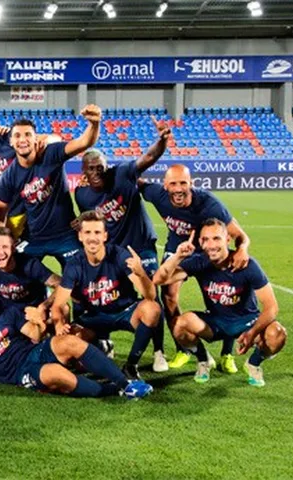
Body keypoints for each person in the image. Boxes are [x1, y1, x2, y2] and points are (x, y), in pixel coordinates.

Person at [0, 280, 153, 399]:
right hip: (20, 374)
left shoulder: (7, 314)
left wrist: (38, 321)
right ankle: (113, 391)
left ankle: (127, 384)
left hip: (35, 351)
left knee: (70, 342)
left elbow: (35, 336)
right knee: (58, 375)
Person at [74, 119, 172, 371]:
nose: (96, 173)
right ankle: (103, 340)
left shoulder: (123, 174)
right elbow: (90, 220)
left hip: (141, 245)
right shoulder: (82, 194)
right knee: (107, 295)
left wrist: (161, 140)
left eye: (100, 168)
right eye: (90, 170)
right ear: (83, 172)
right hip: (115, 253)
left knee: (152, 295)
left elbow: (148, 158)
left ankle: (159, 351)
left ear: (107, 166)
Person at [141, 164, 251, 372]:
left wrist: (242, 249)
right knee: (169, 296)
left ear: (191, 183)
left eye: (183, 183)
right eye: (173, 183)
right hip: (177, 249)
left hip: (208, 252)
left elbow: (239, 234)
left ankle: (227, 354)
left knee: (223, 298)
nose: (178, 188)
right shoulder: (157, 194)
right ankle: (184, 348)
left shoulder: (210, 204)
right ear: (165, 185)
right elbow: (134, 181)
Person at [153, 219, 286, 387]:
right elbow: (159, 279)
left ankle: (253, 364)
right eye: (205, 239)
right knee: (179, 325)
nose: (211, 245)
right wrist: (178, 256)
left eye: (216, 238)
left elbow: (272, 307)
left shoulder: (247, 264)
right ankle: (203, 360)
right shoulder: (199, 261)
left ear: (227, 240)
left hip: (246, 321)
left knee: (277, 334)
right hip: (215, 322)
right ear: (200, 242)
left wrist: (252, 333)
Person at [47, 211, 162, 380]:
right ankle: (100, 346)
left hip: (124, 312)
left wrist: (141, 274)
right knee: (70, 350)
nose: (92, 238)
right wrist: (59, 324)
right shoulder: (74, 264)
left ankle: (131, 365)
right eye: (87, 233)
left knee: (152, 309)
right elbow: (58, 305)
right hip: (93, 318)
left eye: (97, 232)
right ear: (80, 236)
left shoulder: (120, 255)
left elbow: (150, 295)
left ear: (105, 236)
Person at [0, 108, 102, 267]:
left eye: (27, 135)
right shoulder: (9, 176)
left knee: (82, 276)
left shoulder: (51, 154)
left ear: (35, 138)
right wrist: (3, 239)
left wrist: (94, 123)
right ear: (11, 141)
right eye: (17, 136)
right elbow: (0, 214)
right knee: (18, 274)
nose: (22, 139)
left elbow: (84, 142)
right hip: (33, 237)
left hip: (66, 235)